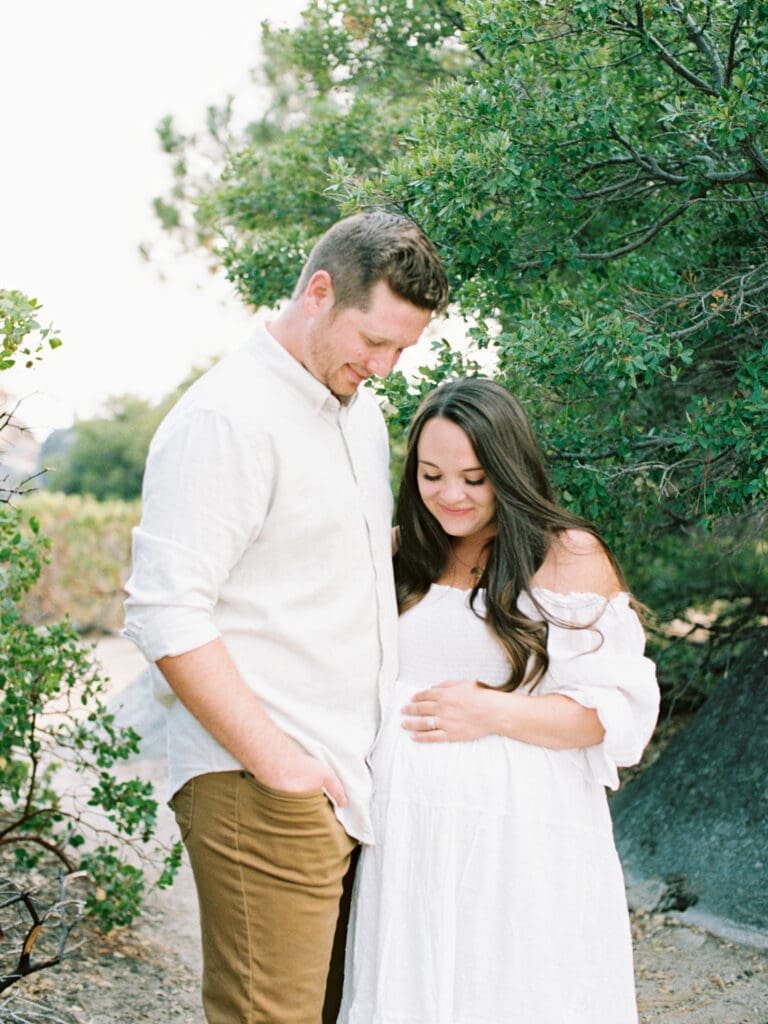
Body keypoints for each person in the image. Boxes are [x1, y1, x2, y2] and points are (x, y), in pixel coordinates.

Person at [122, 210, 449, 1024]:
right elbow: (166, 610)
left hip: (346, 779)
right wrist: (281, 765)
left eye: (403, 349)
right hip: (263, 781)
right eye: (374, 340)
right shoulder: (226, 418)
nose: (383, 364)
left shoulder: (358, 414)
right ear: (318, 291)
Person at [338, 377, 660, 1024]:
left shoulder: (565, 555)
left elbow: (614, 717)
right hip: (408, 836)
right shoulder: (400, 553)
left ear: (507, 471)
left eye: (474, 477)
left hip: (518, 837)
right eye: (431, 475)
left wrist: (493, 712)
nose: (449, 496)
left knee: (513, 990)